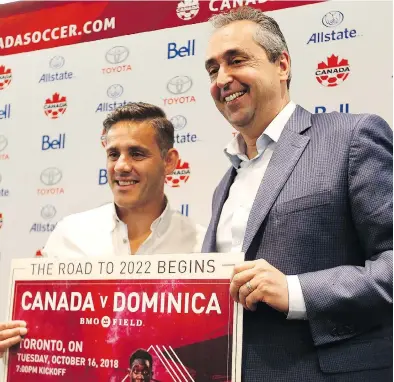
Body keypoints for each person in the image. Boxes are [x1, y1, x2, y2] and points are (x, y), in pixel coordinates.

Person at [202, 6, 392, 381]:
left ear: (282, 65)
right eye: (212, 69)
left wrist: (296, 290)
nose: (223, 78)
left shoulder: (351, 137)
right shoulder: (223, 184)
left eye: (236, 60)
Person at [0, 102, 205, 362]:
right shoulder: (70, 234)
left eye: (137, 154)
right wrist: (15, 345)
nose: (121, 166)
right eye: (113, 154)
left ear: (170, 162)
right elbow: (42, 333)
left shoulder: (201, 247)